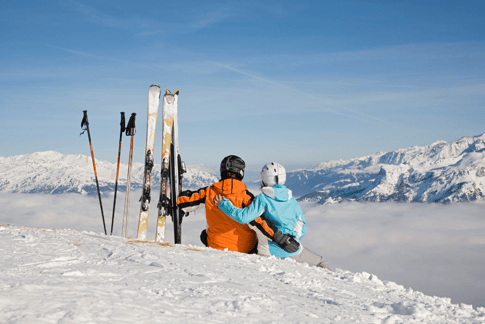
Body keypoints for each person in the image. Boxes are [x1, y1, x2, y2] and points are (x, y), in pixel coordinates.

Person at [215, 162, 329, 269]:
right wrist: (290, 239)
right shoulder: (293, 201)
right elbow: (302, 228)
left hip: (269, 251)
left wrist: (224, 204)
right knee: (320, 263)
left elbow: (244, 217)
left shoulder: (262, 199)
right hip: (292, 249)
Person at [176, 155, 299, 254]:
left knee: (205, 234)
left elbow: (184, 202)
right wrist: (282, 239)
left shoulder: (208, 192)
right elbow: (260, 222)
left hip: (216, 247)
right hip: (245, 249)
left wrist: (181, 197)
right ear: (241, 172)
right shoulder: (246, 197)